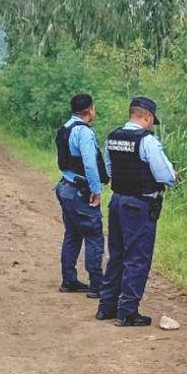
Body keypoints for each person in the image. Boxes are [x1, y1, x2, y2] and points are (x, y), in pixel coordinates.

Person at [96, 96, 176, 326]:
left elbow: (109, 170)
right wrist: (173, 175)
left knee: (117, 255)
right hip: (139, 205)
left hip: (117, 201)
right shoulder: (147, 140)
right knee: (138, 258)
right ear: (147, 117)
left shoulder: (113, 137)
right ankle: (127, 312)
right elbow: (164, 175)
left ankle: (106, 306)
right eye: (152, 120)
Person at [55, 93, 108, 297]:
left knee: (72, 234)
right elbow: (89, 163)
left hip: (65, 185)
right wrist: (96, 190)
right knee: (93, 235)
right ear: (89, 110)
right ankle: (97, 285)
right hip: (80, 190)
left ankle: (69, 280)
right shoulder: (83, 132)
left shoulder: (65, 128)